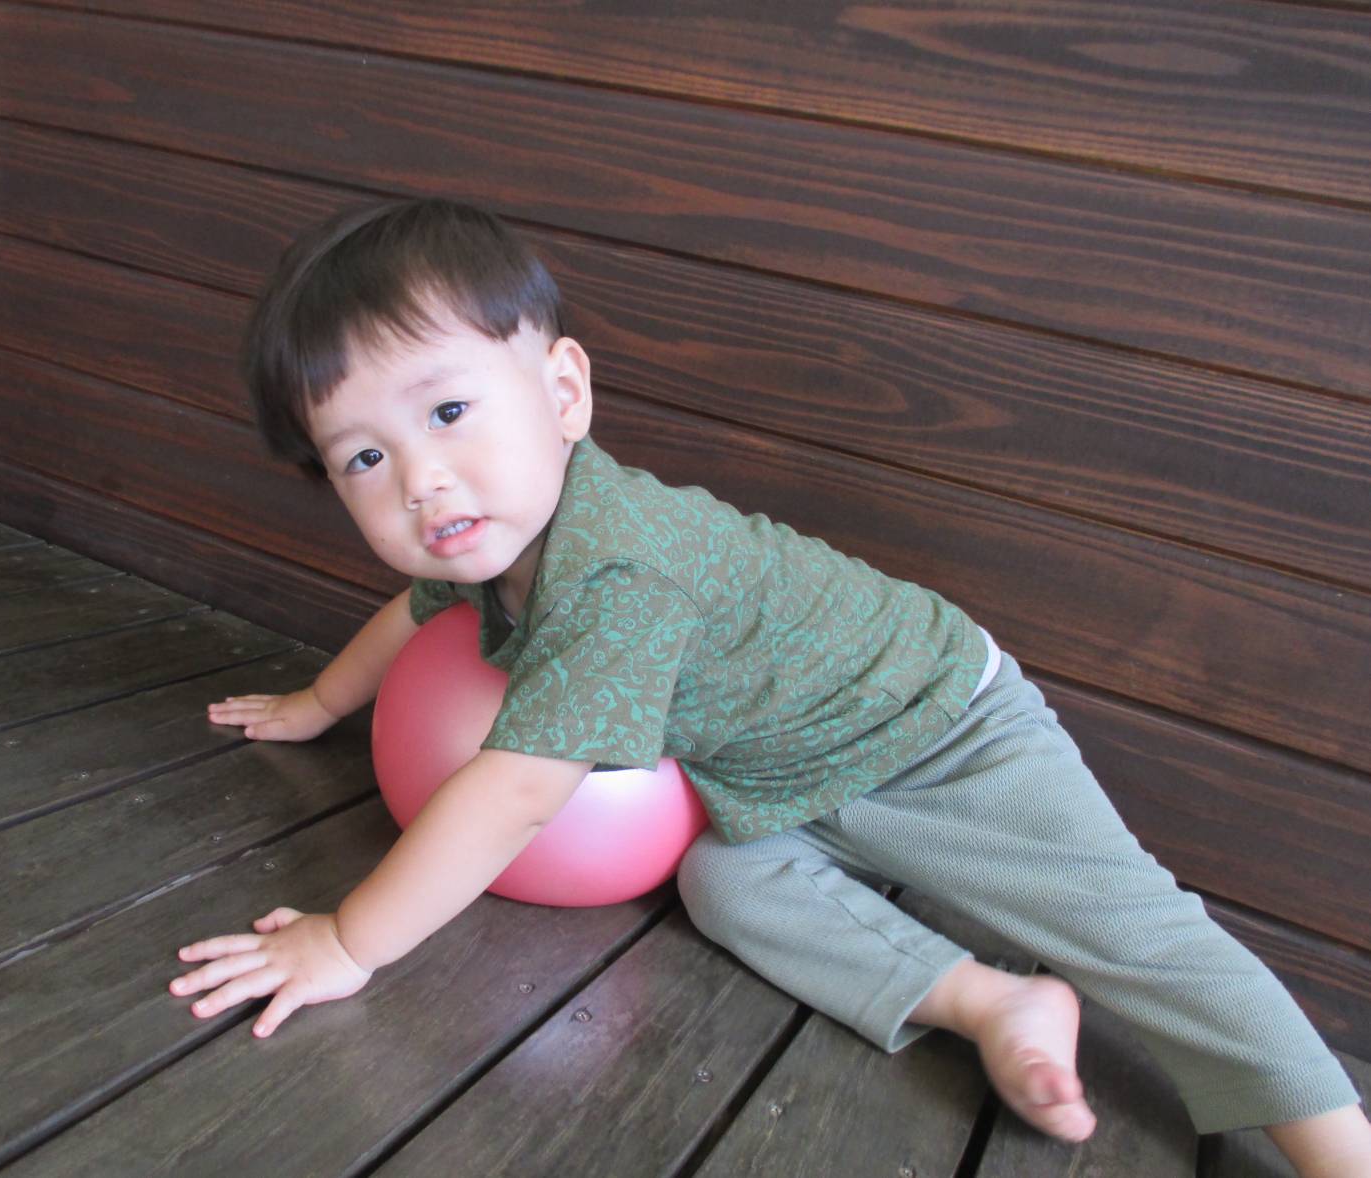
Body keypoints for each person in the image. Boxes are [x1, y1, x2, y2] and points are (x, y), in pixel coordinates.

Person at [172, 198, 1370, 1174]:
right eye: (364, 456)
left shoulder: (616, 569)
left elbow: (517, 794)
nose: (421, 479)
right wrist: (320, 705)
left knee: (1133, 934)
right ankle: (987, 1001)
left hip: (940, 729)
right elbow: (412, 611)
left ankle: (1338, 1147)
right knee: (726, 880)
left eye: (446, 410)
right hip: (779, 779)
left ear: (563, 391)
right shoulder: (491, 532)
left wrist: (347, 940)